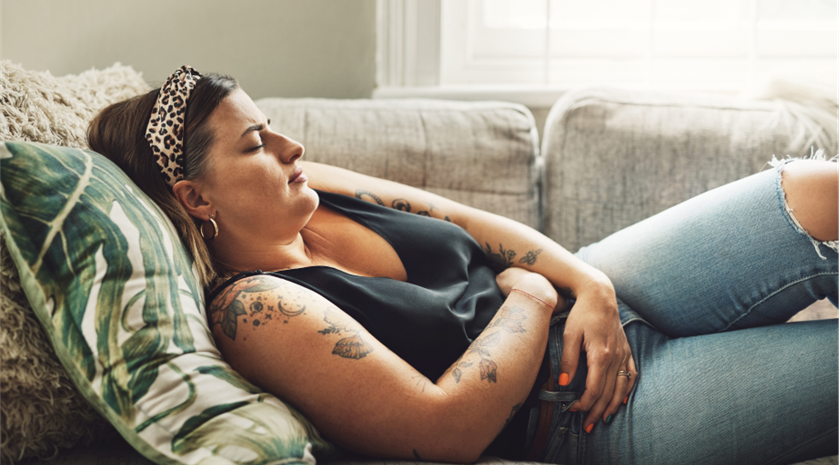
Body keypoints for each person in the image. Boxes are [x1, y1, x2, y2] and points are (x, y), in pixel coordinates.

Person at [87, 66, 839, 465]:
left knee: (819, 191)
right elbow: (441, 429)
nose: (291, 148)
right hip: (585, 410)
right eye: (254, 144)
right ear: (194, 195)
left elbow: (471, 221)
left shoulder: (317, 194)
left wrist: (590, 285)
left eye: (271, 128)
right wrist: (532, 299)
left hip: (602, 290)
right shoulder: (255, 311)